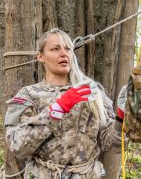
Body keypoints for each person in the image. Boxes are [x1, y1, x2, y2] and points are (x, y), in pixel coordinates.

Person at [4, 28, 127, 179]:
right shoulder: (28, 95)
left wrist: (122, 116)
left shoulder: (91, 92)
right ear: (40, 57)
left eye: (68, 49)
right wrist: (57, 109)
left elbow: (111, 144)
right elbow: (18, 146)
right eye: (55, 49)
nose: (64, 53)